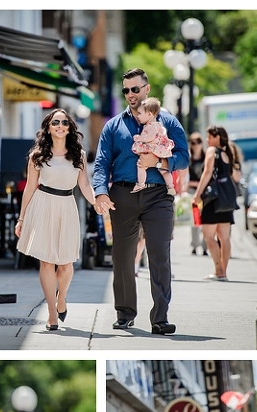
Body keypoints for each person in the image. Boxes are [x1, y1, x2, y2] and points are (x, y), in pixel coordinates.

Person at [92, 68, 189, 335]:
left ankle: (160, 318)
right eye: (126, 90)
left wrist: (160, 162)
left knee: (159, 254)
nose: (131, 95)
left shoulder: (168, 121)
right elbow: (102, 162)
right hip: (122, 194)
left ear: (147, 89)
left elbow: (184, 155)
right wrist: (100, 191)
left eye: (135, 89)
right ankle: (124, 314)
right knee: (122, 256)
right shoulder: (113, 125)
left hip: (158, 195)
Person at [14, 109, 96, 332]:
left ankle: (62, 298)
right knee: (47, 262)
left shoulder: (78, 154)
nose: (60, 125)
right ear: (48, 127)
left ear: (70, 127)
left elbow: (84, 185)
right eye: (55, 122)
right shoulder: (37, 155)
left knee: (67, 264)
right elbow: (30, 187)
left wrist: (96, 203)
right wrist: (21, 218)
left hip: (67, 206)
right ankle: (51, 311)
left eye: (64, 122)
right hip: (43, 205)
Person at [191, 126, 239, 282]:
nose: (207, 140)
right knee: (224, 238)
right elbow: (233, 175)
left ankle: (219, 270)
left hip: (213, 199)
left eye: (209, 137)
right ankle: (223, 271)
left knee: (208, 236)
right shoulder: (228, 152)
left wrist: (197, 195)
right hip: (226, 200)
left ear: (217, 137)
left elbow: (207, 173)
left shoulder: (212, 151)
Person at [131, 98, 176, 195]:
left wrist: (141, 138)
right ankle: (170, 186)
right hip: (159, 151)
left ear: (149, 114)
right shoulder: (158, 125)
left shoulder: (151, 126)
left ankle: (141, 183)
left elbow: (150, 136)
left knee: (141, 166)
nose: (138, 116)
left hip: (153, 149)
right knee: (164, 171)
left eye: (140, 113)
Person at [185, 132, 208, 256]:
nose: (196, 144)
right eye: (193, 142)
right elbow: (186, 180)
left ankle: (205, 246)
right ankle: (195, 245)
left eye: (199, 141)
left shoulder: (206, 158)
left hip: (205, 193)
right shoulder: (188, 160)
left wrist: (195, 183)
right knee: (195, 220)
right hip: (193, 193)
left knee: (205, 220)